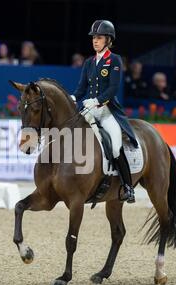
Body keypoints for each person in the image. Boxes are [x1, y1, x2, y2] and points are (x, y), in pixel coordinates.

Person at [71, 19, 138, 203]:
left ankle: (128, 186)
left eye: (99, 38)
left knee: (116, 146)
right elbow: (81, 88)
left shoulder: (114, 60)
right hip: (89, 109)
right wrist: (73, 98)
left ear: (108, 40)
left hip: (107, 111)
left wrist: (98, 100)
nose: (95, 41)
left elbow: (113, 88)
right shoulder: (89, 62)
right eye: (93, 38)